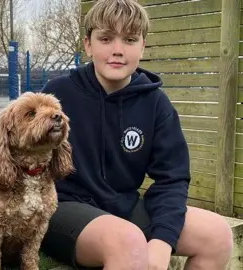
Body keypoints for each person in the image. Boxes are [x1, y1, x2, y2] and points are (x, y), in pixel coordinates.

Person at [39, 0, 233, 269]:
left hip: (124, 207)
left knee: (217, 235)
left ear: (142, 47)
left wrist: (163, 240)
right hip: (64, 208)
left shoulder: (156, 104)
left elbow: (172, 178)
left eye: (129, 40)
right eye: (106, 38)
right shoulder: (57, 94)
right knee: (128, 242)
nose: (117, 50)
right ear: (88, 44)